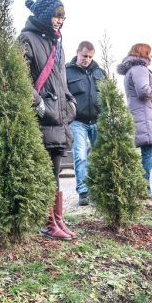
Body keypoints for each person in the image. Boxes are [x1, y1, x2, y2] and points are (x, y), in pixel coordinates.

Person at [19, 0, 78, 240]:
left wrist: (70, 104)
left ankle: (58, 219)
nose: (59, 21)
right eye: (56, 15)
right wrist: (40, 106)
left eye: (62, 17)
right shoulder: (26, 39)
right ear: (44, 15)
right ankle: (47, 222)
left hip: (60, 119)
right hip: (42, 118)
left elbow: (60, 81)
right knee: (46, 173)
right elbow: (19, 79)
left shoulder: (57, 44)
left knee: (55, 171)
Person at [117, 43, 152, 198]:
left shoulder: (134, 69)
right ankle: (143, 189)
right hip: (145, 117)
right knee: (148, 153)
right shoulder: (139, 69)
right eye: (149, 53)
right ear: (143, 53)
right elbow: (144, 91)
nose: (151, 56)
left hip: (145, 116)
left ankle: (142, 185)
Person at [65, 41, 105, 206]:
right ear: (77, 53)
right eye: (84, 56)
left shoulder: (100, 72)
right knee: (80, 156)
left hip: (97, 120)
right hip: (77, 121)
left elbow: (107, 96)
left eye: (90, 56)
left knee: (100, 157)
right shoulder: (67, 72)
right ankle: (83, 192)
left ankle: (100, 190)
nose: (87, 59)